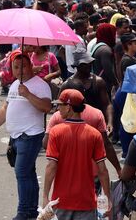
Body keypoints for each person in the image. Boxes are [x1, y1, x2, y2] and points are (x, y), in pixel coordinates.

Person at [0, 52, 52, 220]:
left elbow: (46, 107)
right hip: (16, 137)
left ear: (30, 66)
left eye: (23, 66)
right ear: (12, 69)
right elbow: (5, 109)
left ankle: (23, 212)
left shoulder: (40, 85)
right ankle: (31, 211)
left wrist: (28, 94)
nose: (20, 70)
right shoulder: (15, 85)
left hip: (30, 135)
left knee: (22, 172)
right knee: (28, 172)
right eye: (16, 67)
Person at [42, 89, 111, 220]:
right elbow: (103, 170)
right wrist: (108, 199)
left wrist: (45, 196)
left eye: (60, 105)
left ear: (69, 107)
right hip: (87, 202)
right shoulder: (94, 134)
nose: (58, 108)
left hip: (61, 201)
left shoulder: (56, 132)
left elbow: (51, 166)